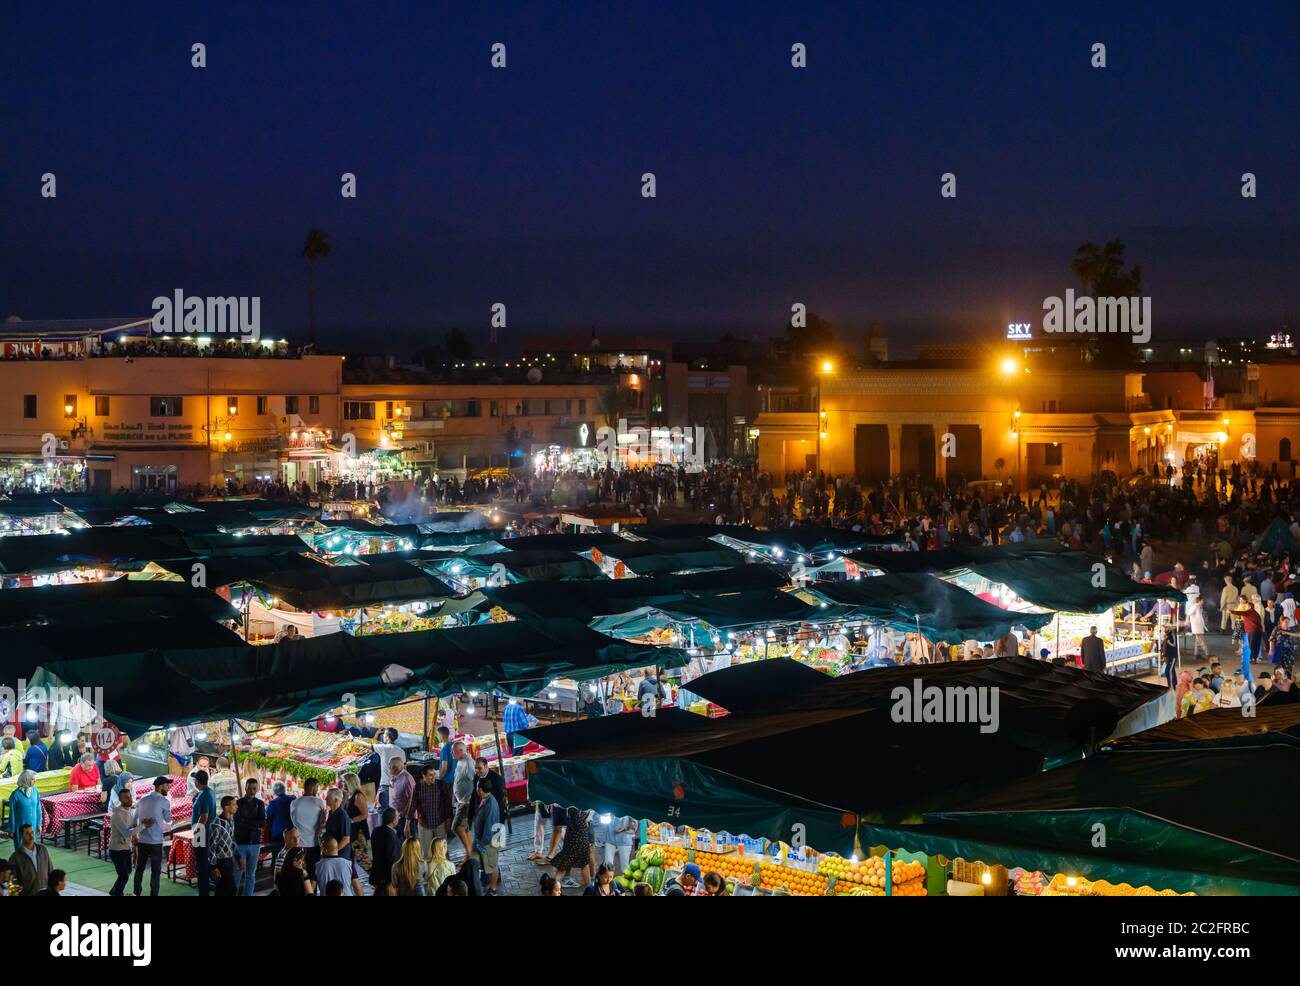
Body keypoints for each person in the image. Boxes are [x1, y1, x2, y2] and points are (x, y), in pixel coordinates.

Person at [132, 776, 172, 896]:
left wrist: (135, 835)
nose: (168, 787)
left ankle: (136, 893)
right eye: (166, 785)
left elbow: (134, 819)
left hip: (143, 840)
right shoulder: (164, 801)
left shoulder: (143, 799)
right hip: (155, 842)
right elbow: (168, 819)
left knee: (140, 868)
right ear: (160, 787)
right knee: (156, 871)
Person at [233, 777, 266, 896]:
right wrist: (253, 824)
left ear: (257, 789)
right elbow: (237, 822)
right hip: (240, 843)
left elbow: (262, 822)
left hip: (255, 844)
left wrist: (246, 822)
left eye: (254, 788)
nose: (252, 791)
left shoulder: (260, 803)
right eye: (250, 788)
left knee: (251, 875)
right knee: (237, 874)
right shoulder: (238, 803)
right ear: (245, 788)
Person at [410, 763, 451, 857]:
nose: (433, 777)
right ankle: (429, 871)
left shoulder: (440, 785)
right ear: (424, 776)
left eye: (434, 774)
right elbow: (412, 805)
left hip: (440, 823)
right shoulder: (418, 787)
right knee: (426, 853)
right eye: (430, 775)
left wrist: (448, 821)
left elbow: (447, 804)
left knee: (442, 852)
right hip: (424, 824)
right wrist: (407, 824)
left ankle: (446, 871)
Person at [290, 777, 326, 879]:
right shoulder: (318, 802)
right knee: (313, 873)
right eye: (317, 787)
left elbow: (293, 822)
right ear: (314, 788)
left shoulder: (294, 803)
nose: (317, 790)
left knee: (299, 873)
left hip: (298, 843)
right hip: (313, 843)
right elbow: (322, 822)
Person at [472, 777, 502, 894]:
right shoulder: (486, 798)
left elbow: (489, 828)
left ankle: (493, 889)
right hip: (485, 839)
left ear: (480, 789)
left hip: (489, 841)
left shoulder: (490, 804)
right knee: (488, 864)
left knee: (492, 865)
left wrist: (481, 844)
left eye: (477, 786)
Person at [189, 768, 217, 896]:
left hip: (202, 833)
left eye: (195, 780)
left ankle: (203, 892)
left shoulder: (204, 795)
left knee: (201, 864)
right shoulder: (209, 792)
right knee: (204, 862)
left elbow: (204, 816)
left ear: (198, 782)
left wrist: (196, 832)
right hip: (208, 831)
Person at [551, 805, 592, 889]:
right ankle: (590, 889)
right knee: (583, 862)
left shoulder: (570, 805)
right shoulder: (582, 807)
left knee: (565, 861)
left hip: (570, 835)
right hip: (580, 836)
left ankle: (552, 886)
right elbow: (584, 823)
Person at [107, 786, 137, 897]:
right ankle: (118, 893)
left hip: (126, 847)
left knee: (127, 871)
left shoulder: (129, 811)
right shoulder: (116, 815)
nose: (129, 799)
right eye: (126, 798)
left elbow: (133, 825)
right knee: (124, 875)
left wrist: (136, 835)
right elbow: (127, 833)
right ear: (120, 799)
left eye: (129, 797)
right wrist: (144, 826)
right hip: (116, 850)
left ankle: (114, 891)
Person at [450, 740, 477, 856]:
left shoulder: (468, 763)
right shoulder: (460, 761)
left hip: (466, 802)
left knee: (456, 827)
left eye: (453, 751)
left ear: (461, 751)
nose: (451, 753)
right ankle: (469, 854)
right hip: (461, 801)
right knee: (464, 828)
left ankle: (469, 853)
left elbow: (475, 779)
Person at [8, 823, 52, 895]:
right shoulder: (15, 858)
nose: (31, 836)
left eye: (32, 832)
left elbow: (50, 870)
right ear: (21, 836)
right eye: (27, 833)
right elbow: (13, 883)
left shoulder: (42, 850)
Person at [208, 796, 238, 896]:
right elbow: (211, 847)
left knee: (222, 889)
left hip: (229, 858)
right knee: (230, 889)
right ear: (226, 807)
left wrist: (238, 857)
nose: (236, 807)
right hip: (221, 861)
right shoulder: (216, 824)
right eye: (234, 804)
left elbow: (232, 840)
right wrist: (214, 867)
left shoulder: (231, 820)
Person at [370, 807, 402, 895]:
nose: (398, 819)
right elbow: (392, 858)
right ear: (393, 820)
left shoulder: (376, 831)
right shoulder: (391, 836)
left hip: (377, 873)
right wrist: (394, 879)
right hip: (388, 878)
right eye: (397, 817)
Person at [372, 728, 405, 811]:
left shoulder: (383, 748)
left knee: (384, 812)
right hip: (398, 786)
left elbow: (368, 746)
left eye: (384, 735)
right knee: (395, 812)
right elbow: (404, 769)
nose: (383, 736)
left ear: (387, 737)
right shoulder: (401, 751)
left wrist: (353, 740)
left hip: (385, 786)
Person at [7, 770, 42, 841]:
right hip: (20, 826)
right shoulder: (15, 795)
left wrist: (39, 824)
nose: (35, 781)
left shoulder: (35, 791)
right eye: (32, 779)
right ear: (26, 779)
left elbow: (38, 809)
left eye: (35, 779)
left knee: (32, 847)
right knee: (21, 848)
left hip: (33, 826)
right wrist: (12, 829)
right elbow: (12, 813)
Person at [387, 756, 415, 838]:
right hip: (396, 816)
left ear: (395, 768)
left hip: (404, 817)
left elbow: (412, 799)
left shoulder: (407, 779)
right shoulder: (395, 775)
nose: (389, 769)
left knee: (408, 842)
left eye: (390, 767)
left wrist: (404, 813)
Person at [265, 781, 295, 852]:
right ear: (285, 789)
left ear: (274, 792)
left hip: (277, 834)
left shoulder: (273, 803)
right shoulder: (293, 799)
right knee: (290, 856)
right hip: (291, 832)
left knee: (276, 855)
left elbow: (267, 818)